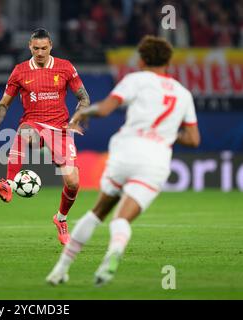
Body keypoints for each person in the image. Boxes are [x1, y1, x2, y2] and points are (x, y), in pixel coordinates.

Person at [46, 35, 200, 286]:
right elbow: (193, 139)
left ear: (141, 60)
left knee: (97, 213)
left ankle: (60, 270)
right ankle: (114, 253)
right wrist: (167, 133)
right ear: (169, 62)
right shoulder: (183, 94)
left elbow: (105, 109)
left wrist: (84, 112)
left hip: (126, 152)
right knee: (121, 219)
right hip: (156, 161)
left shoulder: (135, 80)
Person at [0, 28, 91, 245]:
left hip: (60, 129)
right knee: (25, 130)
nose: (40, 53)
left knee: (72, 183)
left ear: (50, 45)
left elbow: (84, 97)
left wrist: (78, 118)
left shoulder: (65, 67)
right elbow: (4, 103)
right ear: (29, 47)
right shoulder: (20, 71)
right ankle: (9, 183)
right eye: (35, 49)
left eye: (43, 48)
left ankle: (60, 219)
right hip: (34, 124)